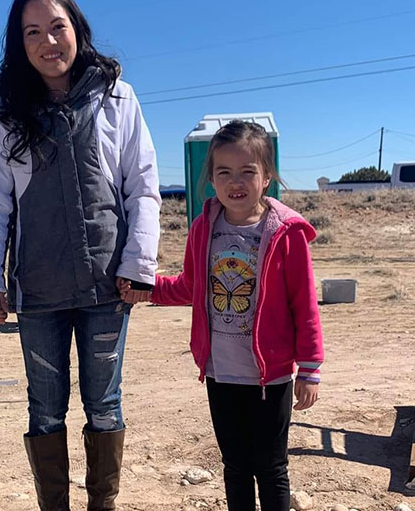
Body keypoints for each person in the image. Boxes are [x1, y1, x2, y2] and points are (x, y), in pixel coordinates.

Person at [0, 0, 160, 511]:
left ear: (77, 29)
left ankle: (103, 505)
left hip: (107, 287)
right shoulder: (6, 117)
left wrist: (139, 264)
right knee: (45, 410)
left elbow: (141, 187)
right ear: (18, 44)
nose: (48, 42)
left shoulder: (116, 98)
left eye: (58, 27)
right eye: (33, 32)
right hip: (39, 292)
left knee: (104, 404)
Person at [131, 120, 324, 510]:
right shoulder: (204, 227)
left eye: (247, 172)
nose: (236, 182)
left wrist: (309, 368)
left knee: (270, 467)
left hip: (269, 375)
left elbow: (304, 304)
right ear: (212, 179)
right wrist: (147, 287)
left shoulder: (285, 235)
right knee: (234, 466)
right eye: (224, 173)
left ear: (266, 177)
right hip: (220, 370)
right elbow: (189, 287)